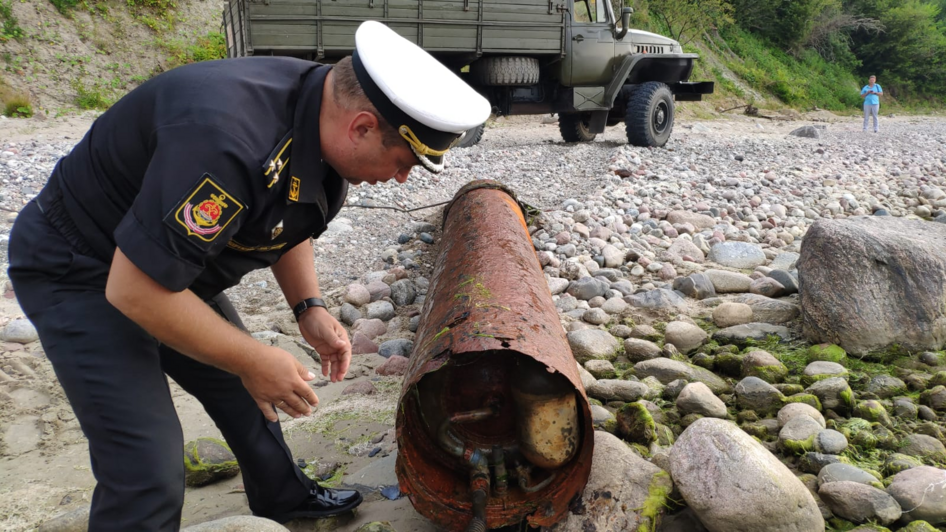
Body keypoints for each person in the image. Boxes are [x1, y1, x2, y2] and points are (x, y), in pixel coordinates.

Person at [7, 20, 490, 531]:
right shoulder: (226, 140)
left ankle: (283, 498)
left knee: (246, 389)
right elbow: (134, 289)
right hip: (82, 266)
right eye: (402, 161)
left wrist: (310, 308)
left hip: (171, 260)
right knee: (145, 463)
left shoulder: (322, 114)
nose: (402, 177)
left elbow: (289, 214)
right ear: (363, 127)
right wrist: (253, 357)